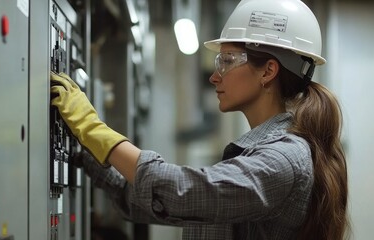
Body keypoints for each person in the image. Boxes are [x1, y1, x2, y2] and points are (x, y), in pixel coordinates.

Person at [50, 0, 349, 239]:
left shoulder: (284, 159)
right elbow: (155, 201)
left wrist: (92, 128)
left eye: (227, 61)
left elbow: (185, 191)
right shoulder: (268, 153)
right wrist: (82, 155)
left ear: (268, 71)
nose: (214, 75)